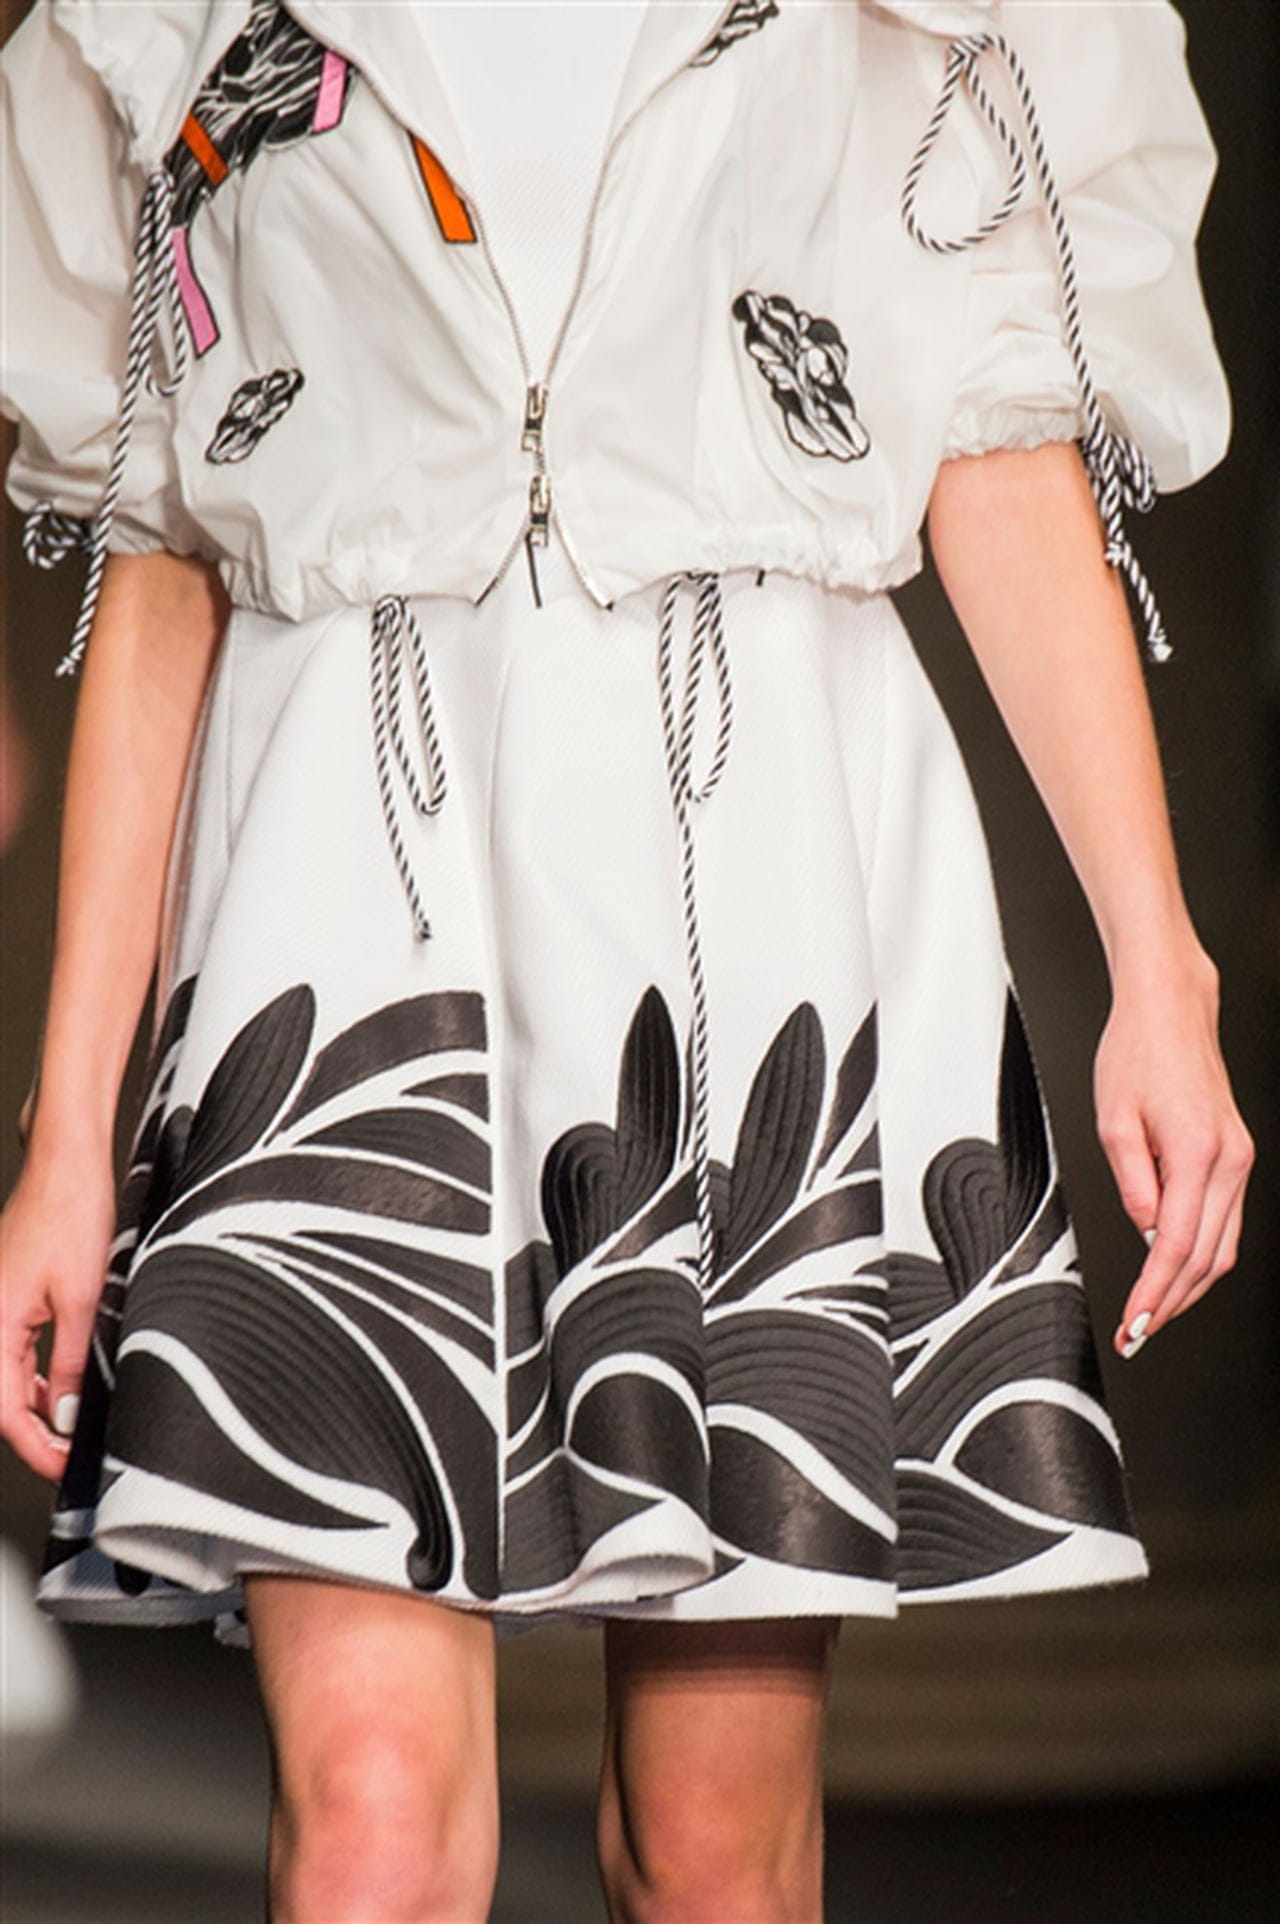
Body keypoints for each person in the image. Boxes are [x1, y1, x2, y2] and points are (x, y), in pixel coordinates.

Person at [0, 2, 1254, 1917]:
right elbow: (163, 538)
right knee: (374, 1827)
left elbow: (993, 444)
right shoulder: (172, 14)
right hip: (338, 924)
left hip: (748, 886)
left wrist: (1160, 966)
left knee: (712, 1854)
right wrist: (72, 1129)